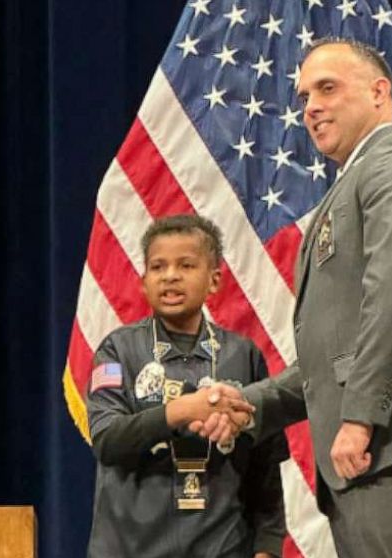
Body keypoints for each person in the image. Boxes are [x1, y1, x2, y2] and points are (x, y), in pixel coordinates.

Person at [197, 37, 392, 558]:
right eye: (303, 97)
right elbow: (336, 358)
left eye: (327, 88)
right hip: (377, 450)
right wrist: (250, 405)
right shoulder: (353, 185)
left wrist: (361, 417)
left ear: (379, 92)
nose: (311, 108)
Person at [86, 214, 287, 558]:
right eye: (157, 267)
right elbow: (107, 439)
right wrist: (181, 411)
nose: (170, 276)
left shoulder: (243, 354)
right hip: (130, 548)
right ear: (142, 282)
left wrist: (268, 547)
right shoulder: (116, 349)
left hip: (223, 546)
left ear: (214, 280)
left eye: (186, 265)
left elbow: (265, 464)